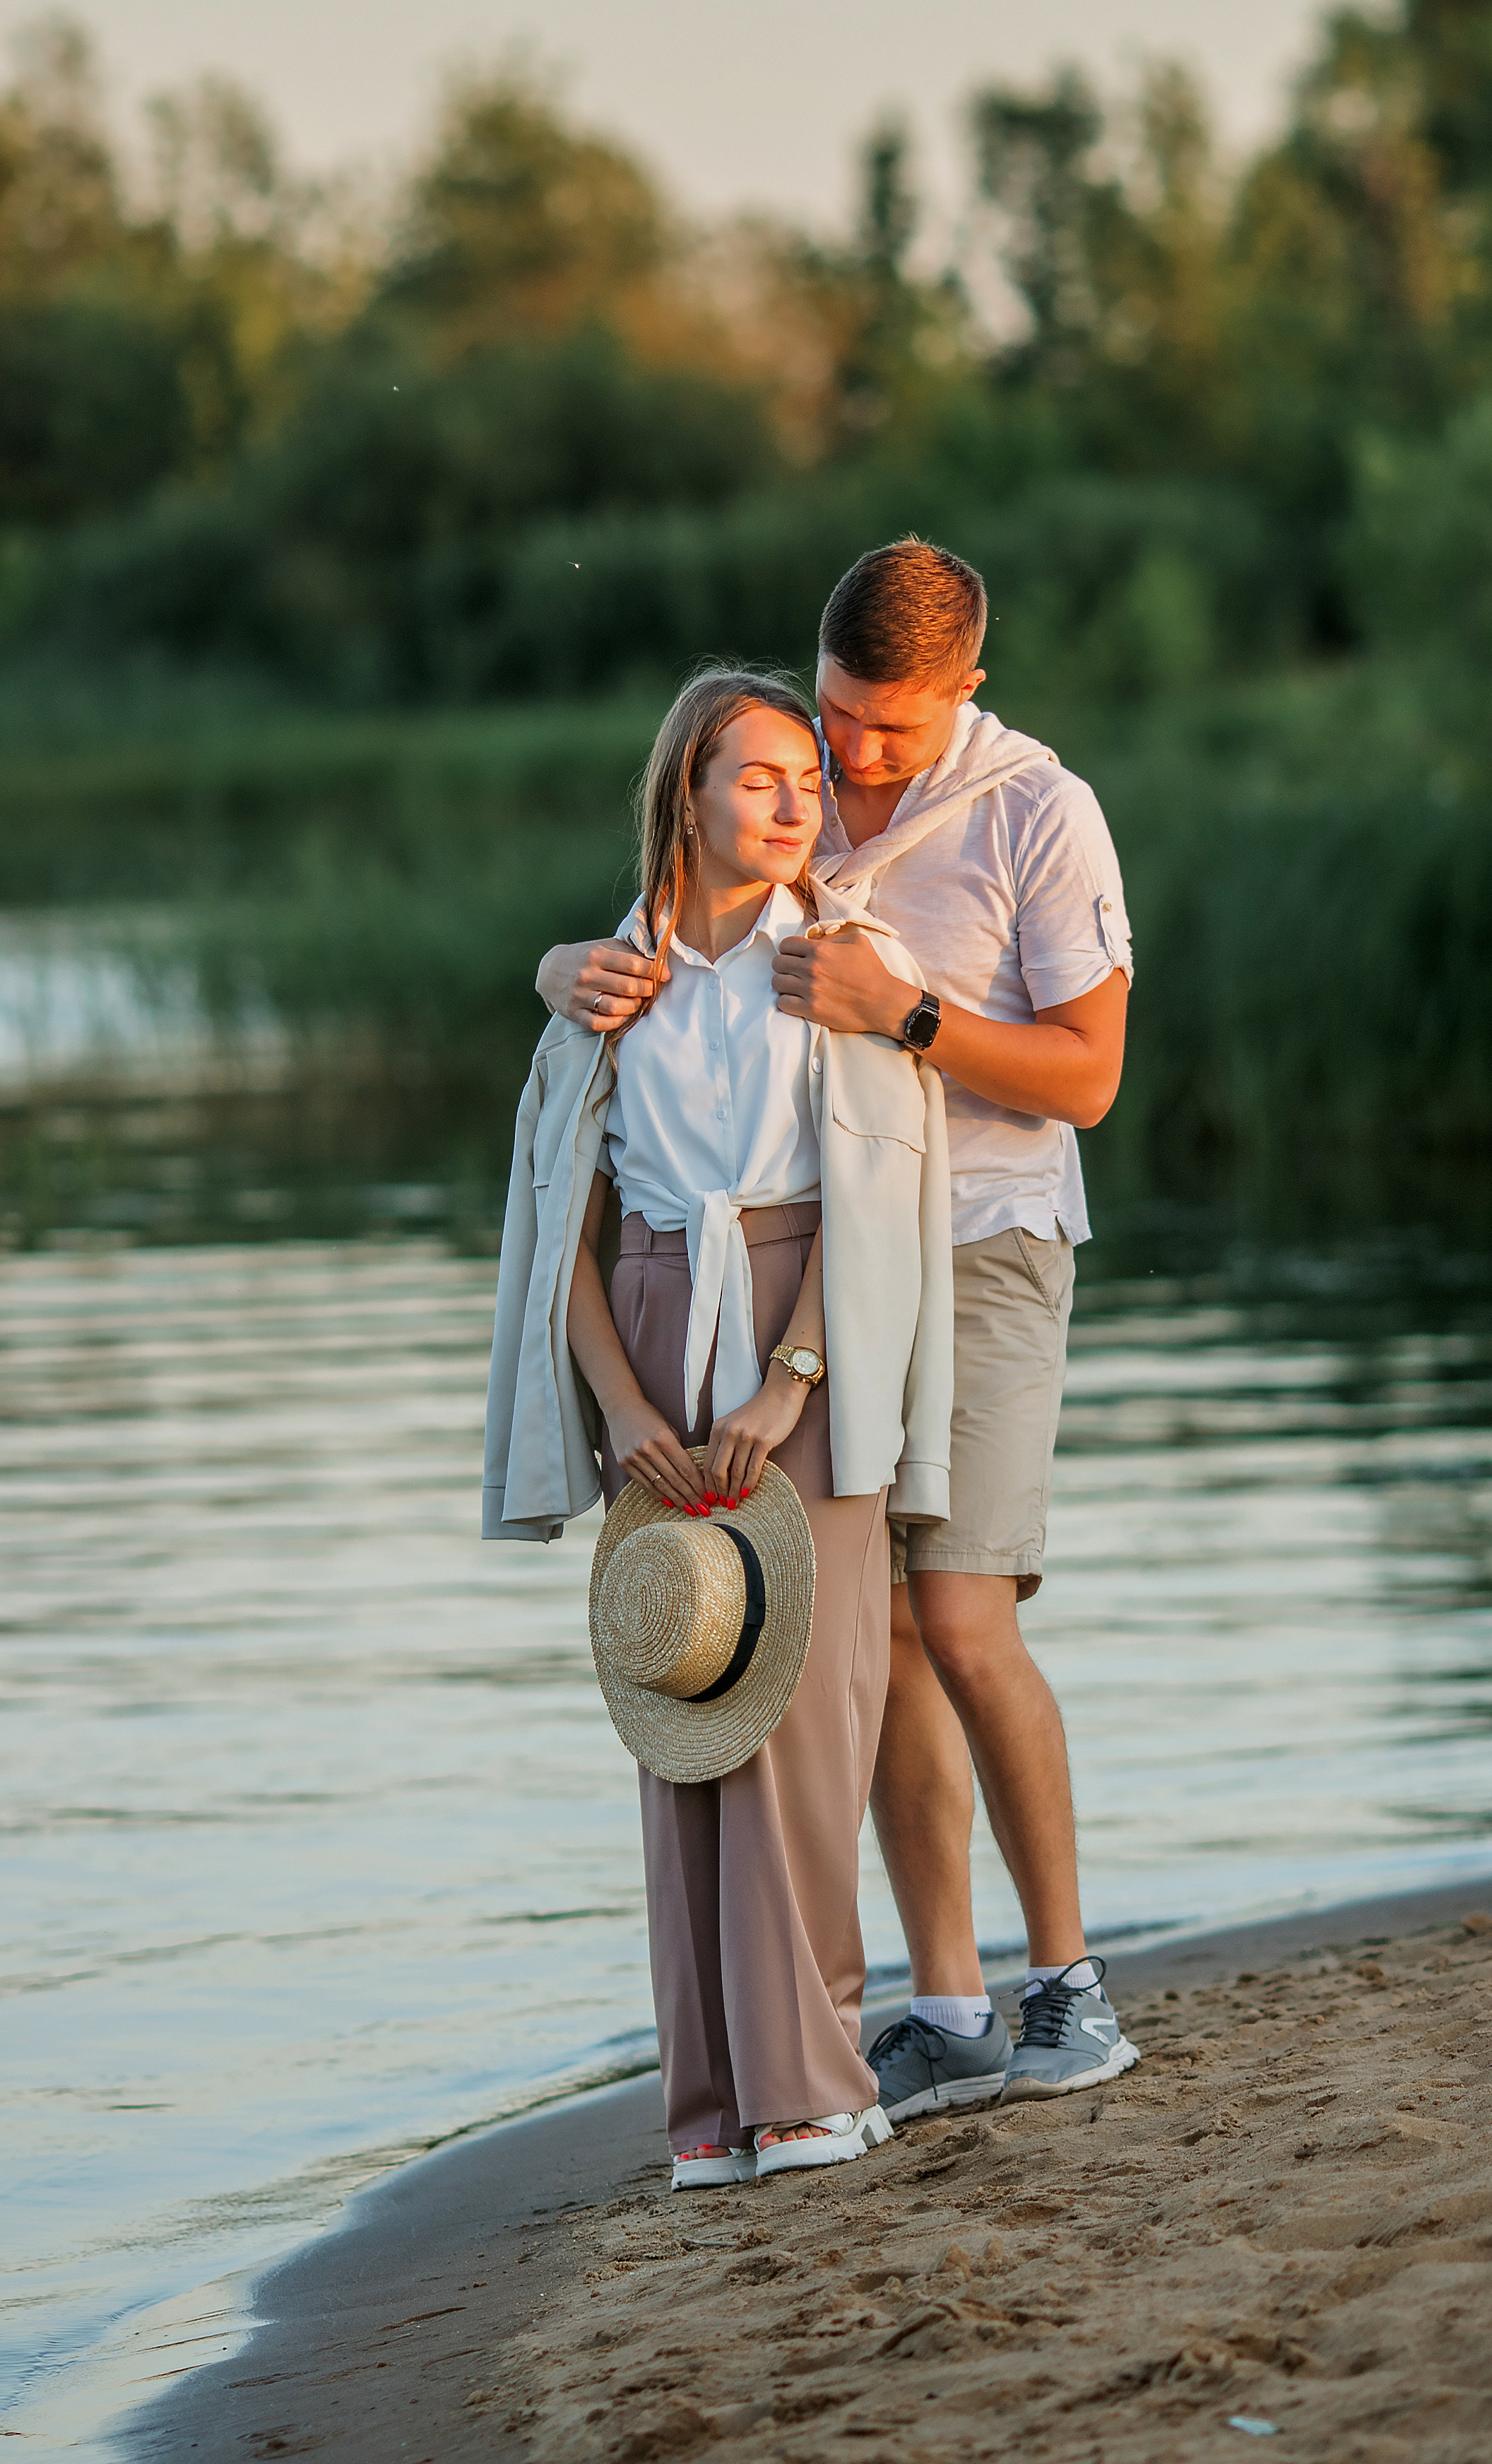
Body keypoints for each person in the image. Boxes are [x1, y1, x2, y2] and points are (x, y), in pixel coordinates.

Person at [537, 540, 1140, 2117]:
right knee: (873, 1635)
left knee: (964, 1617)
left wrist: (909, 1017)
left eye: (890, 727)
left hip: (983, 1240)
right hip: (835, 1260)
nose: (854, 755)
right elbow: (667, 940)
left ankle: (1068, 1986)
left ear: (967, 691)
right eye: (837, 713)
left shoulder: (1036, 810)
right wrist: (561, 967)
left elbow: (1087, 1078)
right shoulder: (786, 783)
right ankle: (946, 2004)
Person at [484, 668, 953, 2186]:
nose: (794, 803)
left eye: (805, 779)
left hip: (806, 1331)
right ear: (685, 792)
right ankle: (707, 2109)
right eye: (758, 778)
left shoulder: (841, 961)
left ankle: (805, 2083)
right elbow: (559, 1215)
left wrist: (788, 1379)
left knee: (805, 1715)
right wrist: (623, 1407)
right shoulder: (610, 980)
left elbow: (873, 1194)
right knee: (685, 1696)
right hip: (650, 1320)